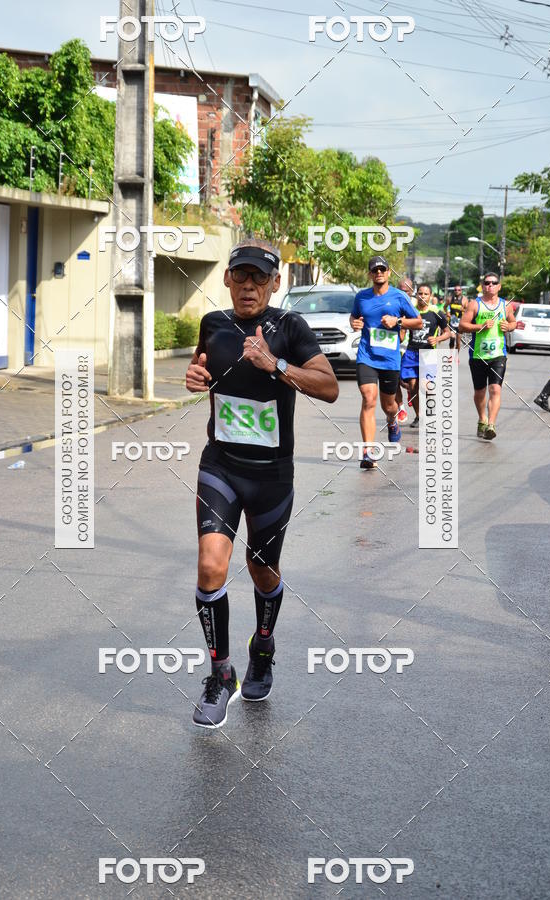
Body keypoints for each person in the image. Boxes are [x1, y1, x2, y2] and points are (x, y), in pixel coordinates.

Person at [185, 238, 339, 728]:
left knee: (261, 570)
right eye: (241, 276)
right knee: (211, 566)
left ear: (275, 283)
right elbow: (203, 369)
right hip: (221, 466)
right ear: (227, 279)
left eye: (259, 278)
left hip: (271, 475)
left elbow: (330, 387)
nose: (248, 286)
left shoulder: (290, 327)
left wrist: (277, 365)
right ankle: (221, 674)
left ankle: (264, 646)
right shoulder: (213, 324)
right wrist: (195, 377)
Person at [349, 256, 422, 469]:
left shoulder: (399, 297)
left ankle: (392, 421)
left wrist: (397, 320)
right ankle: (368, 452)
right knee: (368, 399)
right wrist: (354, 323)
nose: (379, 273)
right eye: (375, 270)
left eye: (382, 269)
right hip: (367, 356)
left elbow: (418, 322)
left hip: (390, 360)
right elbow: (354, 317)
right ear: (370, 274)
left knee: (389, 406)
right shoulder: (361, 297)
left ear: (389, 272)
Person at [459, 272, 516, 440]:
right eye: (487, 283)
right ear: (482, 286)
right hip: (478, 355)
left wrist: (509, 326)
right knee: (480, 391)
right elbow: (462, 326)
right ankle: (482, 419)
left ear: (499, 286)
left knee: (495, 389)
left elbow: (513, 322)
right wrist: (480, 326)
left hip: (498, 355)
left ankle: (491, 425)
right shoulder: (474, 304)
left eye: (494, 283)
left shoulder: (506, 305)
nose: (490, 285)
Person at [400, 283, 450, 427]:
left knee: (425, 386)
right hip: (411, 353)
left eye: (426, 294)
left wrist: (437, 339)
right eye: (420, 293)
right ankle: (419, 416)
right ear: (416, 295)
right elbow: (402, 331)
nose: (422, 296)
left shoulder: (436, 312)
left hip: (428, 353)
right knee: (412, 386)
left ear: (430, 296)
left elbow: (447, 333)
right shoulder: (411, 310)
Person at [396, 277, 416, 424]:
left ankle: (410, 392)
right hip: (397, 348)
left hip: (413, 350)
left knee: (409, 382)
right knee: (396, 381)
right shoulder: (393, 304)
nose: (403, 294)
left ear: (412, 291)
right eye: (400, 290)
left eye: (406, 291)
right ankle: (401, 408)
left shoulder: (416, 306)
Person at [447, 285, 467, 351]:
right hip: (452, 322)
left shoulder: (464, 300)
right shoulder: (450, 299)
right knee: (452, 338)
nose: (457, 291)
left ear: (461, 291)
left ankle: (456, 355)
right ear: (454, 291)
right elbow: (445, 306)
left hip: (460, 323)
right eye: (455, 290)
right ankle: (451, 354)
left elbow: (468, 311)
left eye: (459, 290)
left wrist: (463, 310)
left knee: (458, 343)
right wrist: (447, 312)